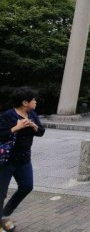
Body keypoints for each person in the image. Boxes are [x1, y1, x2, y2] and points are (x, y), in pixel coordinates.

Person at [0, 86, 45, 232]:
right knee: (1, 193)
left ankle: (4, 214)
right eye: (33, 100)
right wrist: (16, 127)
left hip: (24, 159)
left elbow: (41, 132)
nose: (35, 102)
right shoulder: (8, 115)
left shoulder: (32, 115)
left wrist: (34, 127)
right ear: (25, 102)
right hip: (6, 160)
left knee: (27, 186)